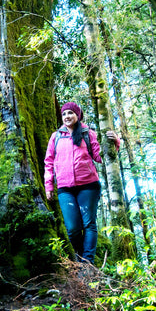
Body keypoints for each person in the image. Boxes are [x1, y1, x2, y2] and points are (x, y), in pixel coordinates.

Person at [44, 101, 119, 264]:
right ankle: (78, 258)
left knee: (89, 224)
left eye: (70, 113)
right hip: (65, 188)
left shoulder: (88, 133)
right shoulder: (56, 136)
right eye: (64, 114)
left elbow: (99, 157)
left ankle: (87, 264)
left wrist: (115, 143)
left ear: (78, 115)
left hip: (88, 186)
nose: (67, 116)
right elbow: (49, 161)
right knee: (72, 228)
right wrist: (49, 185)